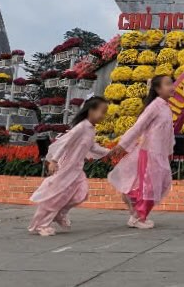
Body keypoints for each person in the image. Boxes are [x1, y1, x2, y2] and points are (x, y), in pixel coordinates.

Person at [27, 96, 111, 236]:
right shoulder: (80, 127)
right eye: (102, 112)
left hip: (77, 169)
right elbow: (65, 144)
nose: (103, 116)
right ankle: (41, 225)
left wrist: (110, 151)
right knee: (55, 197)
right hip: (65, 168)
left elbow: (93, 147)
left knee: (81, 194)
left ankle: (60, 213)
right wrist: (54, 161)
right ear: (90, 110)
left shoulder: (91, 129)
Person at [107, 75, 175, 229]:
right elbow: (138, 126)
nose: (172, 87)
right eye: (168, 84)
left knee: (161, 184)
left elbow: (168, 132)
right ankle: (138, 217)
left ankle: (131, 197)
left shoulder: (165, 106)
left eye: (172, 83)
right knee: (151, 186)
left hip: (160, 153)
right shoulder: (154, 107)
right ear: (158, 89)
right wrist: (122, 145)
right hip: (150, 151)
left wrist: (169, 150)